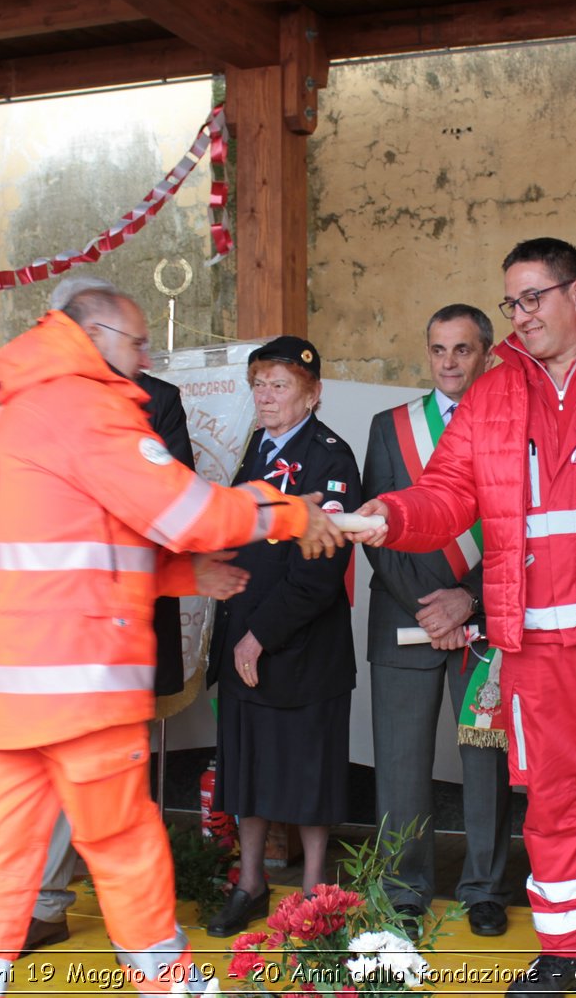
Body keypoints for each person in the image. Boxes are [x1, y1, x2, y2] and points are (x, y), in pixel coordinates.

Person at [0, 285, 342, 995]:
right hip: (81, 688)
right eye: (138, 343)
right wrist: (288, 513)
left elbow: (77, 546)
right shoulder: (87, 410)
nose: (149, 357)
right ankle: (174, 987)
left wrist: (181, 575)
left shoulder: (16, 418)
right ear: (95, 336)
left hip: (7, 700)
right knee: (126, 851)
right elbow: (185, 508)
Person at [354, 239, 576, 997]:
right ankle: (564, 954)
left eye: (533, 298)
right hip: (535, 642)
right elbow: (448, 493)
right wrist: (385, 516)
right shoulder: (490, 396)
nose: (519, 318)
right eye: (510, 303)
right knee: (550, 801)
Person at [23, 277, 210, 957]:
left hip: (125, 621)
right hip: (50, 627)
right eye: (134, 339)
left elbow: (176, 498)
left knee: (118, 780)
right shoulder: (34, 402)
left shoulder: (157, 401)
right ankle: (45, 904)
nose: (145, 351)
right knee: (45, 776)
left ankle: (142, 928)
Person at [205, 335, 363, 939]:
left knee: (309, 776)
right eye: (259, 385)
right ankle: (250, 882)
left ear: (313, 393)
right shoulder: (253, 450)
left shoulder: (332, 456)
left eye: (280, 386)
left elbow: (320, 570)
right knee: (246, 772)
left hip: (303, 652)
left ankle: (315, 896)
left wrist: (259, 636)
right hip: (245, 642)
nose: (266, 397)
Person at [361, 304, 511, 940]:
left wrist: (467, 601)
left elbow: (519, 529)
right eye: (438, 350)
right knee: (399, 767)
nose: (449, 362)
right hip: (404, 618)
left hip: (485, 622)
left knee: (485, 766)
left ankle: (485, 886)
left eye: (463, 350)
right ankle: (402, 889)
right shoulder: (389, 426)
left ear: (487, 353)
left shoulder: (513, 423)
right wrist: (433, 605)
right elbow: (375, 528)